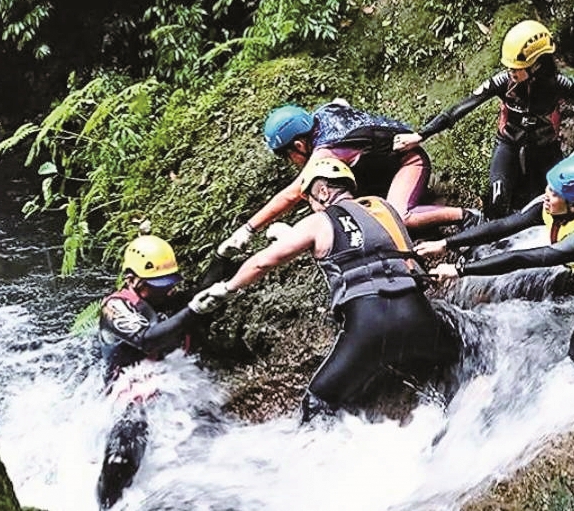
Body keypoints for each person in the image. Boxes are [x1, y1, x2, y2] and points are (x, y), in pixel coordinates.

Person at [196, 158, 460, 422]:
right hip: (417, 315)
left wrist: (227, 288)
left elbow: (264, 261)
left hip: (369, 325)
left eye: (309, 199)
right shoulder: (383, 207)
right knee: (457, 359)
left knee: (318, 401)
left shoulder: (318, 222)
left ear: (322, 191)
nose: (311, 206)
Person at [415, 155, 574, 367]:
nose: (546, 196)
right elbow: (504, 226)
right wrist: (445, 244)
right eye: (548, 188)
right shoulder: (557, 206)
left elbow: (530, 258)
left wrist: (459, 269)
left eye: (554, 193)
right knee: (523, 285)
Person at [217, 100, 478, 258]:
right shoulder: (324, 113)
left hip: (410, 161)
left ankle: (465, 215)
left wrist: (249, 229)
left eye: (288, 155)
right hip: (384, 162)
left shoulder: (324, 152)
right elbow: (342, 104)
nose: (290, 161)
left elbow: (290, 194)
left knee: (400, 217)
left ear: (298, 144)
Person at [392, 19, 574, 219]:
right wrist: (421, 135)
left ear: (536, 65)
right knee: (497, 201)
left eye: (516, 68)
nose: (510, 72)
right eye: (509, 68)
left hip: (545, 150)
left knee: (547, 204)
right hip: (508, 145)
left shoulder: (558, 84)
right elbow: (459, 108)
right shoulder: (503, 81)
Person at [96, 235, 229, 509]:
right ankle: (108, 504)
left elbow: (204, 291)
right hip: (129, 391)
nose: (166, 291)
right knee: (120, 460)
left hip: (177, 381)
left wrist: (221, 257)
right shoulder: (116, 307)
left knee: (219, 439)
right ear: (132, 279)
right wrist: (192, 312)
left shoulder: (170, 298)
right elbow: (148, 339)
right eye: (157, 285)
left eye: (169, 283)